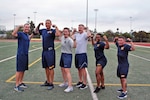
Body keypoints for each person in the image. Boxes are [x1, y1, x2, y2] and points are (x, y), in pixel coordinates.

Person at [36, 19, 60, 90]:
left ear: (51, 24)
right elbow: (35, 31)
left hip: (50, 51)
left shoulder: (52, 31)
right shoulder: (43, 30)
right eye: (46, 23)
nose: (47, 24)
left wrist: (56, 27)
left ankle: (51, 83)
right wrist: (39, 25)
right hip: (44, 51)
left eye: (48, 23)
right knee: (46, 67)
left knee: (51, 67)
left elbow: (58, 34)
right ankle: (48, 81)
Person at [12, 23, 33, 92]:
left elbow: (29, 38)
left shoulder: (26, 35)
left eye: (28, 27)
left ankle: (20, 82)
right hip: (21, 54)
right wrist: (18, 26)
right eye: (26, 27)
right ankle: (16, 85)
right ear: (23, 28)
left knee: (23, 69)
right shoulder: (20, 34)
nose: (27, 28)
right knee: (19, 70)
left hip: (25, 54)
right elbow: (13, 34)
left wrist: (34, 33)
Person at [72, 24, 91, 90]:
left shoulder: (85, 34)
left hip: (82, 54)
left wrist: (87, 29)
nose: (79, 28)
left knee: (83, 69)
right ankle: (80, 81)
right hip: (77, 53)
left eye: (81, 27)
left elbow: (89, 35)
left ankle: (85, 83)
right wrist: (73, 31)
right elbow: (72, 37)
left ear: (83, 28)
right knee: (78, 68)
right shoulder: (77, 34)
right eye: (79, 27)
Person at [59, 27, 76, 92]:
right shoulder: (62, 37)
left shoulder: (70, 40)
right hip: (62, 54)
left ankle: (70, 86)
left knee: (67, 70)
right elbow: (58, 34)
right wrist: (57, 28)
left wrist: (74, 40)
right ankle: (65, 82)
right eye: (64, 31)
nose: (65, 32)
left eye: (66, 31)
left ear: (69, 33)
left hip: (68, 55)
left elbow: (74, 46)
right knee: (62, 69)